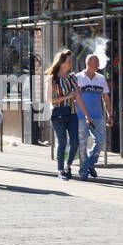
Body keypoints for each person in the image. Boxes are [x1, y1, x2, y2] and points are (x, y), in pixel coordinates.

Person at [47, 48, 93, 180]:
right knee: (62, 142)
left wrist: (86, 115)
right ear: (61, 63)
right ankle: (60, 170)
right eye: (68, 61)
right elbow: (49, 99)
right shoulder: (51, 79)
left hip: (72, 113)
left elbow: (78, 97)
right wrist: (67, 96)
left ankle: (68, 166)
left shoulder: (72, 78)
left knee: (75, 141)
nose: (70, 63)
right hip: (58, 114)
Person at [74, 54, 112, 180]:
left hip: (97, 116)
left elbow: (106, 98)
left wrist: (109, 115)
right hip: (80, 116)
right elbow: (73, 97)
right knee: (83, 144)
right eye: (96, 62)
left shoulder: (101, 79)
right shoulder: (77, 78)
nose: (98, 65)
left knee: (100, 141)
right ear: (88, 63)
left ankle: (90, 163)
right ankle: (83, 170)